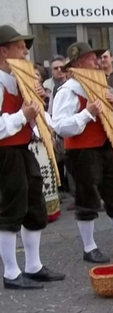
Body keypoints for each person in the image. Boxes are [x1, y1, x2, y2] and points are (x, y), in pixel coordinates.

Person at [51, 43, 113, 263]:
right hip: (81, 152)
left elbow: (111, 122)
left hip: (104, 147)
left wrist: (112, 108)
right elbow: (60, 126)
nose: (97, 62)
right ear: (77, 64)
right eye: (91, 59)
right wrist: (87, 113)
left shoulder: (99, 85)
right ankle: (89, 247)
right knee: (87, 199)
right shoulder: (67, 91)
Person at [0, 24, 66, 289]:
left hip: (24, 148)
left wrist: (38, 110)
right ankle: (11, 273)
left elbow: (38, 119)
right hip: (4, 153)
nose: (25, 51)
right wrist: (22, 116)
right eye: (19, 46)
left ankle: (33, 265)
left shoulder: (19, 79)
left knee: (34, 206)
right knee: (9, 211)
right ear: (4, 51)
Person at [31, 64, 60, 222]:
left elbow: (47, 119)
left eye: (37, 76)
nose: (34, 79)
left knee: (47, 176)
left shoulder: (45, 95)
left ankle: (50, 211)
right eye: (32, 75)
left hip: (43, 144)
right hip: (31, 144)